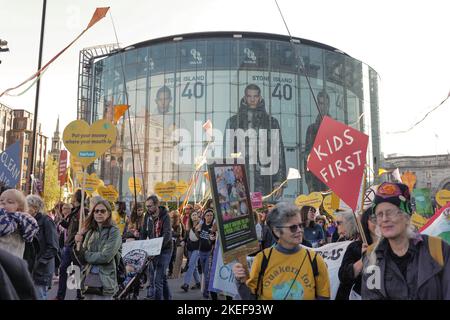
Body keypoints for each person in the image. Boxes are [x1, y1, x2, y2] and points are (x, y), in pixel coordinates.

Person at [361, 182, 450, 300]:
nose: (384, 219)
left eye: (390, 212)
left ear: (406, 215)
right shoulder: (372, 256)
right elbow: (370, 296)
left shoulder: (437, 248)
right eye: (379, 214)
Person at [233, 203, 330, 300]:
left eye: (300, 225)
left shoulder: (315, 260)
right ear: (277, 231)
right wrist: (239, 280)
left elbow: (324, 297)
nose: (299, 230)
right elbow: (250, 297)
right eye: (293, 227)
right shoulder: (262, 259)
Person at [224, 84, 286, 198]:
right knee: (241, 212)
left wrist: (279, 181)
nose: (252, 99)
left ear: (260, 97)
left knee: (262, 211)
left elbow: (278, 152)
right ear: (245, 97)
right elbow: (227, 153)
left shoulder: (271, 122)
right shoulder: (232, 122)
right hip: (240, 177)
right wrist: (229, 179)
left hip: (264, 178)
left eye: (255, 96)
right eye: (249, 96)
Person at [74, 199, 122, 300]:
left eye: (103, 211)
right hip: (89, 279)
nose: (99, 213)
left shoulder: (114, 231)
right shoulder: (91, 231)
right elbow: (81, 259)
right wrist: (78, 241)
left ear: (109, 213)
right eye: (96, 211)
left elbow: (105, 257)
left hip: (106, 279)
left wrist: (87, 255)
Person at [336, 208, 378, 300]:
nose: (379, 222)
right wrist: (364, 259)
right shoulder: (355, 247)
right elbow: (344, 276)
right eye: (374, 219)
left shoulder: (394, 246)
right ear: (366, 222)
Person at [55, 189, 87, 300]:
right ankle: (61, 296)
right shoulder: (74, 211)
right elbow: (68, 226)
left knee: (77, 270)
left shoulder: (82, 211)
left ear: (77, 198)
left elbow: (85, 227)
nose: (72, 197)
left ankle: (79, 294)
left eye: (73, 196)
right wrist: (60, 218)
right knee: (64, 269)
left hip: (75, 246)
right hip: (69, 245)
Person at [26, 195, 59, 300]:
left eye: (27, 206)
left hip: (41, 270)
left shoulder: (46, 221)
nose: (25, 209)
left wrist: (39, 262)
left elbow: (53, 247)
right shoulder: (27, 221)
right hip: (30, 268)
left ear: (35, 208)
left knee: (38, 296)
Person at [146, 195, 172, 300]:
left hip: (165, 250)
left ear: (157, 205)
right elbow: (145, 232)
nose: (148, 208)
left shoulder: (166, 216)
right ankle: (168, 298)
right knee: (163, 278)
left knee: (158, 281)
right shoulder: (148, 217)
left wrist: (157, 248)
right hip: (153, 250)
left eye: (150, 206)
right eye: (146, 206)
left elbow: (167, 235)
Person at [304, 90, 330, 193]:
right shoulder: (312, 129)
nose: (322, 107)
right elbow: (307, 157)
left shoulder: (336, 128)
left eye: (325, 104)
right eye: (320, 103)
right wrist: (310, 184)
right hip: (316, 180)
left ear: (328, 105)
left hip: (332, 179)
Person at [0, 189, 39, 259]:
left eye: (10, 202)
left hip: (11, 262)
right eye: (1, 200)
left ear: (19, 209)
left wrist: (1, 212)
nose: (3, 203)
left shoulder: (22, 219)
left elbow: (4, 228)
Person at [180, 210, 201, 292]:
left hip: (198, 248)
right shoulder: (188, 227)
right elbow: (186, 237)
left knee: (191, 265)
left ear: (198, 216)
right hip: (190, 249)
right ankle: (198, 282)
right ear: (191, 218)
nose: (195, 216)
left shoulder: (200, 226)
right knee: (194, 266)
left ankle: (186, 284)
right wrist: (183, 241)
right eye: (193, 215)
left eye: (196, 215)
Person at [198, 209, 216, 299]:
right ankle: (206, 290)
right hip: (201, 251)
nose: (209, 217)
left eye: (211, 215)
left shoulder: (213, 227)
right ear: (204, 217)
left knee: (207, 273)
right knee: (204, 273)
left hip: (209, 252)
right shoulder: (201, 225)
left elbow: (214, 240)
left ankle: (206, 292)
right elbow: (196, 234)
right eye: (207, 215)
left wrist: (213, 239)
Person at [168, 210, 184, 279]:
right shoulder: (168, 223)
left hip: (176, 243)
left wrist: (171, 232)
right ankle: (170, 271)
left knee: (175, 257)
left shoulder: (179, 224)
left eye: (172, 217)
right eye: (170, 217)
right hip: (170, 242)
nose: (171, 218)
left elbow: (179, 234)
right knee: (170, 258)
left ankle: (177, 271)